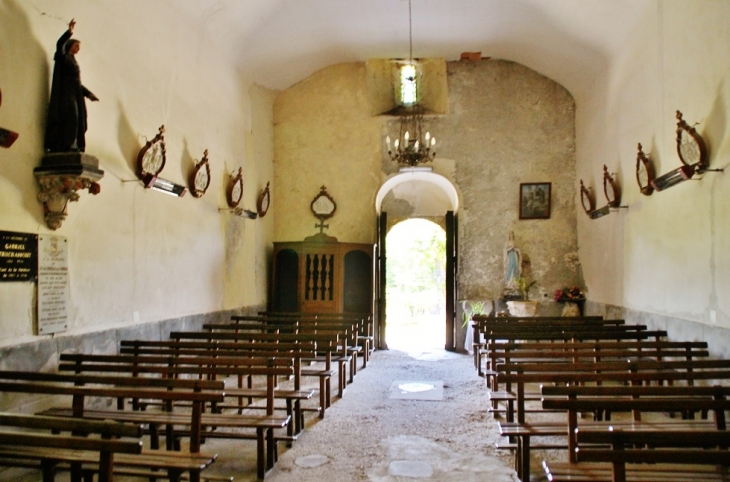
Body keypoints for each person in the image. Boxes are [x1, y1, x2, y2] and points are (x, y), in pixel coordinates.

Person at [44, 19, 99, 153]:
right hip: (66, 92)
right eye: (76, 46)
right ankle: (66, 144)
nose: (78, 48)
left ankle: (73, 143)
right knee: (72, 115)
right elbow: (59, 44)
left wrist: (88, 94)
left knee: (78, 118)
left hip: (75, 91)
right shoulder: (63, 58)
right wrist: (69, 32)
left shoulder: (74, 62)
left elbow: (77, 82)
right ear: (69, 46)